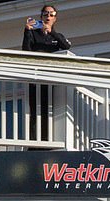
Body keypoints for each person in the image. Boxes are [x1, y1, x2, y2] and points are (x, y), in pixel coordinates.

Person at [22, 5, 71, 142]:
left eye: (51, 14)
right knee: (34, 110)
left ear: (55, 18)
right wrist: (27, 31)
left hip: (51, 78)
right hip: (36, 76)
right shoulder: (33, 34)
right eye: (45, 14)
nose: (48, 17)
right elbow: (26, 50)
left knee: (51, 110)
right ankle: (34, 141)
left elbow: (66, 46)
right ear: (41, 17)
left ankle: (49, 139)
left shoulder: (57, 36)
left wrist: (51, 33)